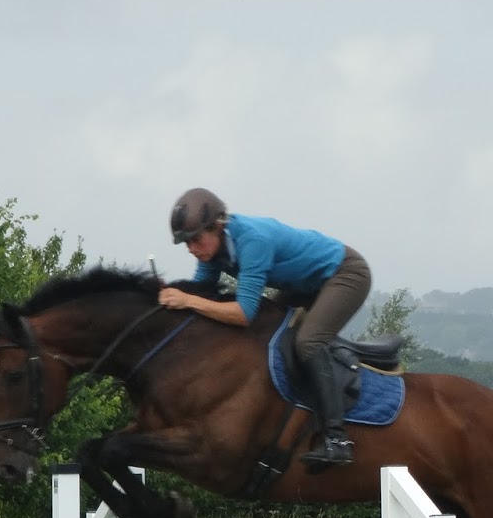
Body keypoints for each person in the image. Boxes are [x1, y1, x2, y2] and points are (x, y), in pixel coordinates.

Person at [157, 188, 370, 468]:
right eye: (186, 244)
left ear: (217, 227)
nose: (192, 249)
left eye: (195, 239)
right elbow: (202, 293)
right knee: (269, 337)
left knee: (307, 342)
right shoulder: (215, 252)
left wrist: (187, 300)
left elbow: (244, 313)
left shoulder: (252, 240)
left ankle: (337, 439)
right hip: (302, 284)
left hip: (344, 274)